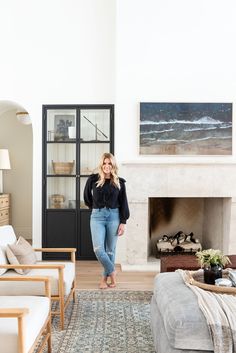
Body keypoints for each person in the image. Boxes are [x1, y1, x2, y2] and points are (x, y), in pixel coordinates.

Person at [83, 152, 130, 289]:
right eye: (104, 163)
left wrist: (123, 222)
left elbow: (123, 202)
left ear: (113, 165)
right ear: (101, 164)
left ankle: (104, 279)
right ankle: (113, 272)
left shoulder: (119, 182)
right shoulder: (93, 180)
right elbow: (86, 198)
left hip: (114, 217)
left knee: (110, 250)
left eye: (109, 163)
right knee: (98, 249)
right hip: (97, 217)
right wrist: (96, 208)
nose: (107, 166)